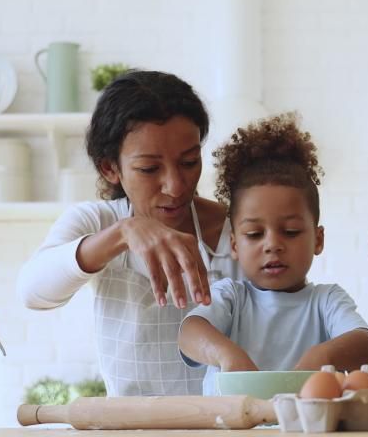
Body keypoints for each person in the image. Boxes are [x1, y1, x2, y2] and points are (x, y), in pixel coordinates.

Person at [17, 71, 231, 396]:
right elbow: (32, 292)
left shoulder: (239, 228)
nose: (174, 186)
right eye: (149, 168)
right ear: (110, 168)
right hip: (130, 427)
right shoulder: (98, 221)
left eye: (188, 162)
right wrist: (122, 233)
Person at [177, 112, 368, 395]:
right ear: (234, 245)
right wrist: (224, 354)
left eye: (291, 231)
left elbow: (365, 345)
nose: (272, 244)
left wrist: (323, 356)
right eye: (255, 234)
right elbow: (190, 332)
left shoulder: (326, 301)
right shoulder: (232, 297)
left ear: (318, 240)